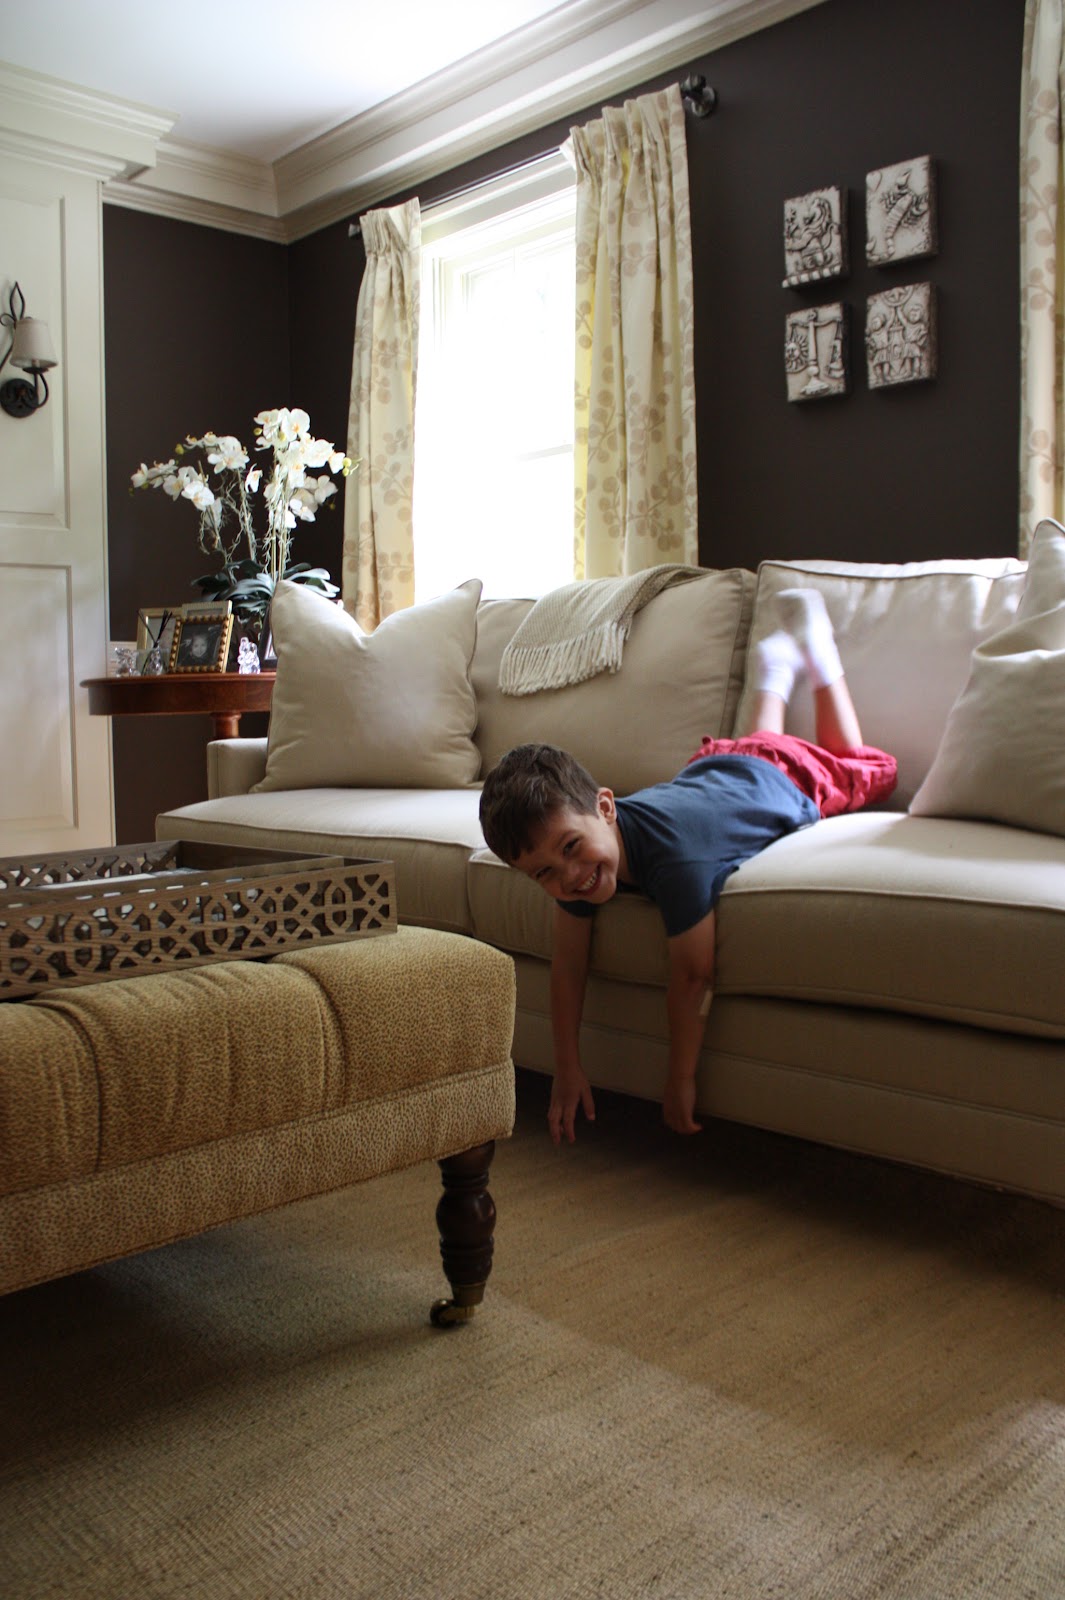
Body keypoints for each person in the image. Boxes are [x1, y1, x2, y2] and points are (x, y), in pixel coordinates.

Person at [478, 589, 897, 1145]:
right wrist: (568, 1067)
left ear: (606, 807)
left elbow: (694, 976)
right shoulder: (572, 859)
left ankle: (818, 650)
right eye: (543, 874)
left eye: (572, 850)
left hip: (783, 779)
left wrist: (678, 1078)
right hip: (713, 769)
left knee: (869, 768)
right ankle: (774, 667)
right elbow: (567, 969)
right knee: (755, 744)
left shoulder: (678, 863)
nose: (567, 879)